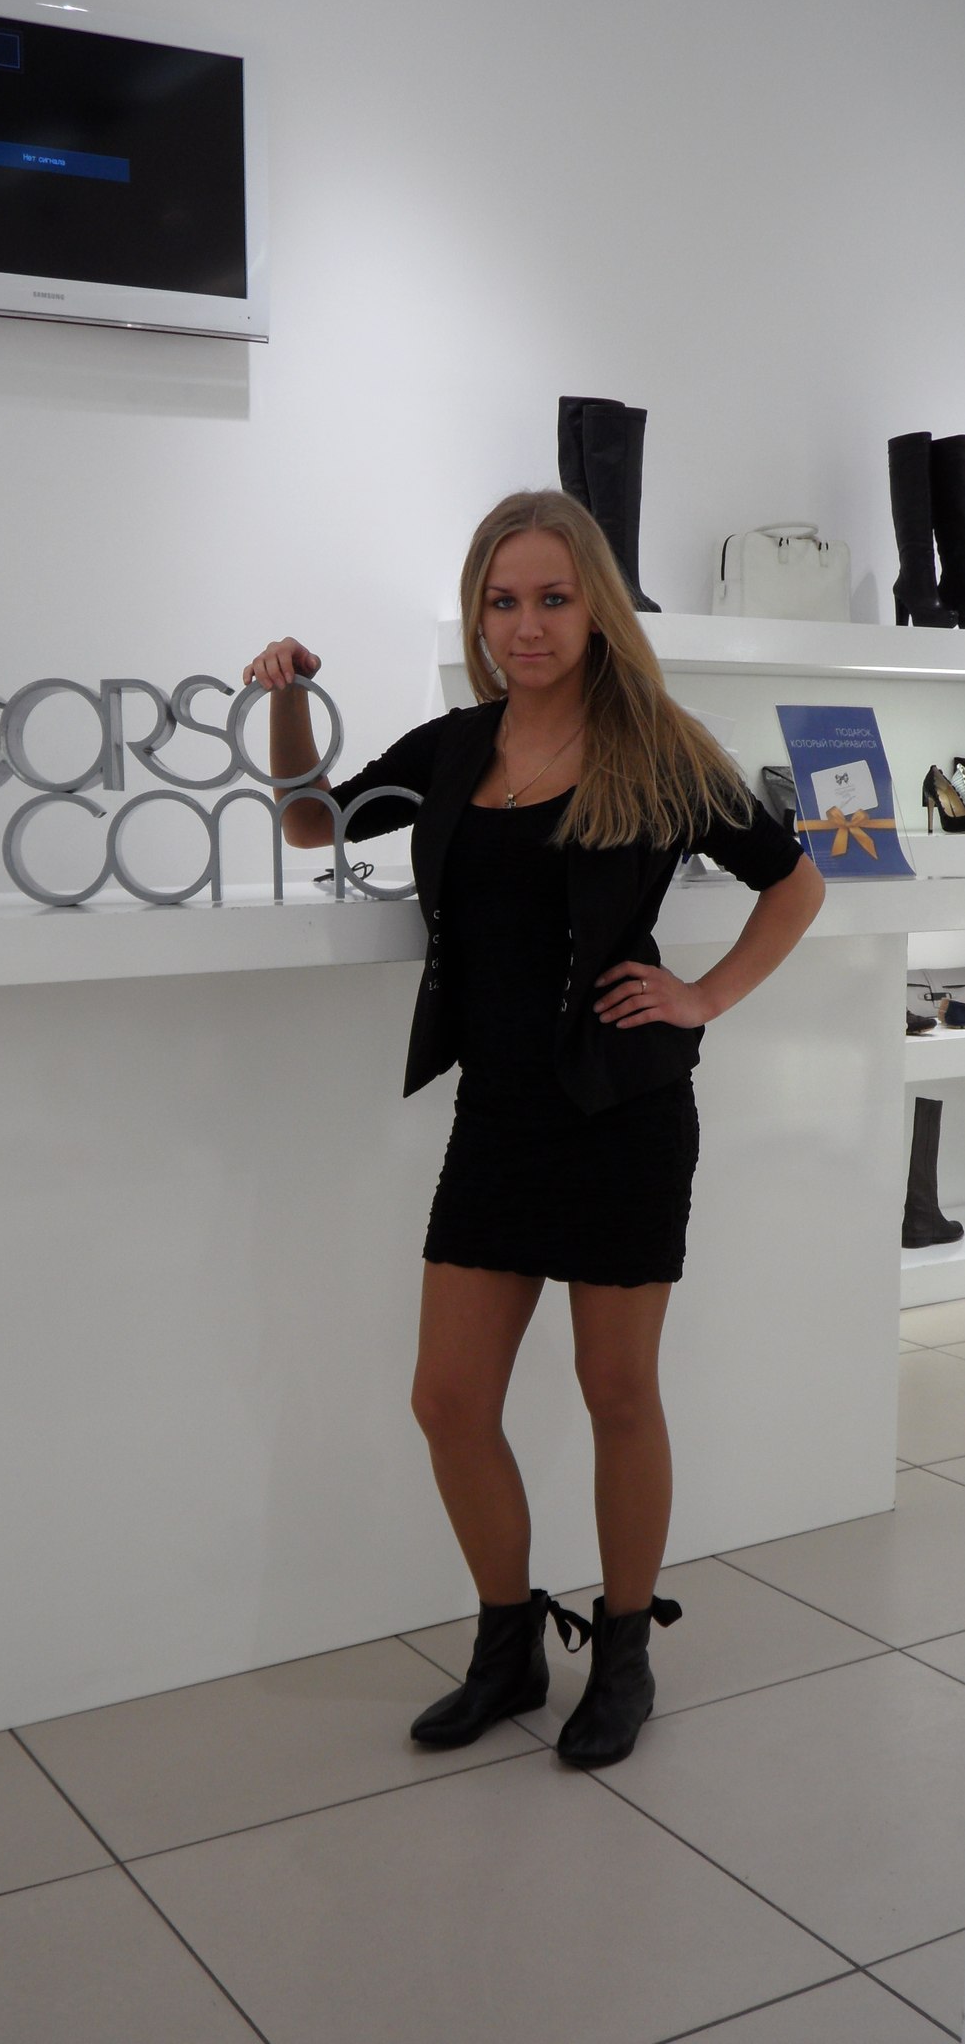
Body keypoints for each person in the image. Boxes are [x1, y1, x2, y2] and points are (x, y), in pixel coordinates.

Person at [242, 489, 824, 1769]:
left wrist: (702, 995)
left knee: (616, 1390)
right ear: (478, 614)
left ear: (596, 607)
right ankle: (506, 1646)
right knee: (448, 1399)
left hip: (623, 1110)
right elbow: (309, 819)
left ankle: (624, 1652)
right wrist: (288, 697)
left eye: (553, 598)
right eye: (503, 601)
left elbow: (794, 881)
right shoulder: (456, 745)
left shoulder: (658, 748)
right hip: (497, 1113)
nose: (527, 625)